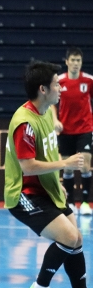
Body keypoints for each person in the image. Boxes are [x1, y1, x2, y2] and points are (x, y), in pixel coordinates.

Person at [5, 61, 93, 288]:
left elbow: (47, 154)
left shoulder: (46, 114)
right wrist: (65, 164)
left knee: (76, 238)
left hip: (48, 190)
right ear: (43, 89)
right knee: (69, 238)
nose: (61, 89)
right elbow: (28, 167)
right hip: (24, 194)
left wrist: (59, 183)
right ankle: (40, 287)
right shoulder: (25, 122)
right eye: (57, 85)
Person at [51, 47, 93, 216]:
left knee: (85, 165)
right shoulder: (59, 81)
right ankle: (70, 203)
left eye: (78, 61)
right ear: (67, 62)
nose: (76, 64)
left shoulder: (89, 81)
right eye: (73, 60)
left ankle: (84, 203)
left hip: (85, 129)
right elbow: (52, 102)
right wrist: (55, 120)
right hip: (66, 130)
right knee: (68, 168)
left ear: (81, 63)